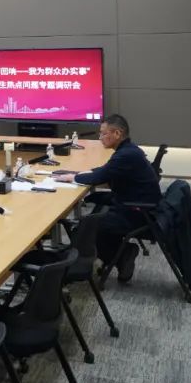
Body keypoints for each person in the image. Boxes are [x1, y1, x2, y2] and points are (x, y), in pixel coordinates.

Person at [53, 114, 162, 283]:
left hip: (137, 213)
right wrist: (82, 173)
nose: (100, 137)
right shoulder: (128, 150)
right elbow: (106, 170)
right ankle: (121, 254)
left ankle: (122, 255)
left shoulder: (125, 155)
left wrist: (72, 177)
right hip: (136, 206)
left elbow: (100, 177)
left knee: (83, 230)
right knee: (93, 217)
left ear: (117, 134)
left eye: (103, 133)